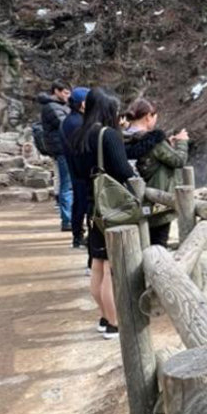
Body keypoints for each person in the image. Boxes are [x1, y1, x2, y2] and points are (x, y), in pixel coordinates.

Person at [68, 87, 131, 338]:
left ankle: (104, 318)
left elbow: (79, 173)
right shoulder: (107, 135)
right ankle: (115, 323)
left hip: (92, 205)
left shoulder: (77, 136)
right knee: (110, 268)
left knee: (97, 264)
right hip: (112, 207)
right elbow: (124, 170)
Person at [122, 98, 189, 248]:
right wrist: (182, 142)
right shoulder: (155, 141)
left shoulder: (122, 138)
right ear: (148, 117)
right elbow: (179, 161)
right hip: (158, 205)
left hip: (131, 202)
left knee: (140, 246)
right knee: (158, 246)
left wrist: (168, 145)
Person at [39, 80, 72, 232]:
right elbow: (65, 124)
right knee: (66, 184)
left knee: (66, 183)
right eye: (65, 92)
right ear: (56, 91)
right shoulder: (52, 107)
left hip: (64, 148)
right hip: (61, 149)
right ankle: (67, 219)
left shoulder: (61, 106)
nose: (68, 96)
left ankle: (69, 218)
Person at [60, 87, 89, 248]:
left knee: (79, 201)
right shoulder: (76, 123)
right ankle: (78, 235)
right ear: (83, 104)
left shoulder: (72, 120)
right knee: (81, 202)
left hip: (75, 167)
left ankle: (78, 234)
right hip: (80, 169)